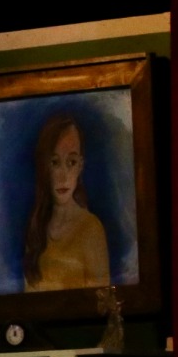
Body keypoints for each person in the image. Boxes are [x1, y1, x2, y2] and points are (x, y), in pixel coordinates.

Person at [21, 113, 110, 292]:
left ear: (80, 166)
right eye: (55, 162)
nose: (63, 176)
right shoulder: (37, 228)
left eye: (71, 162)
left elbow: (101, 301)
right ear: (44, 166)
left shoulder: (91, 229)